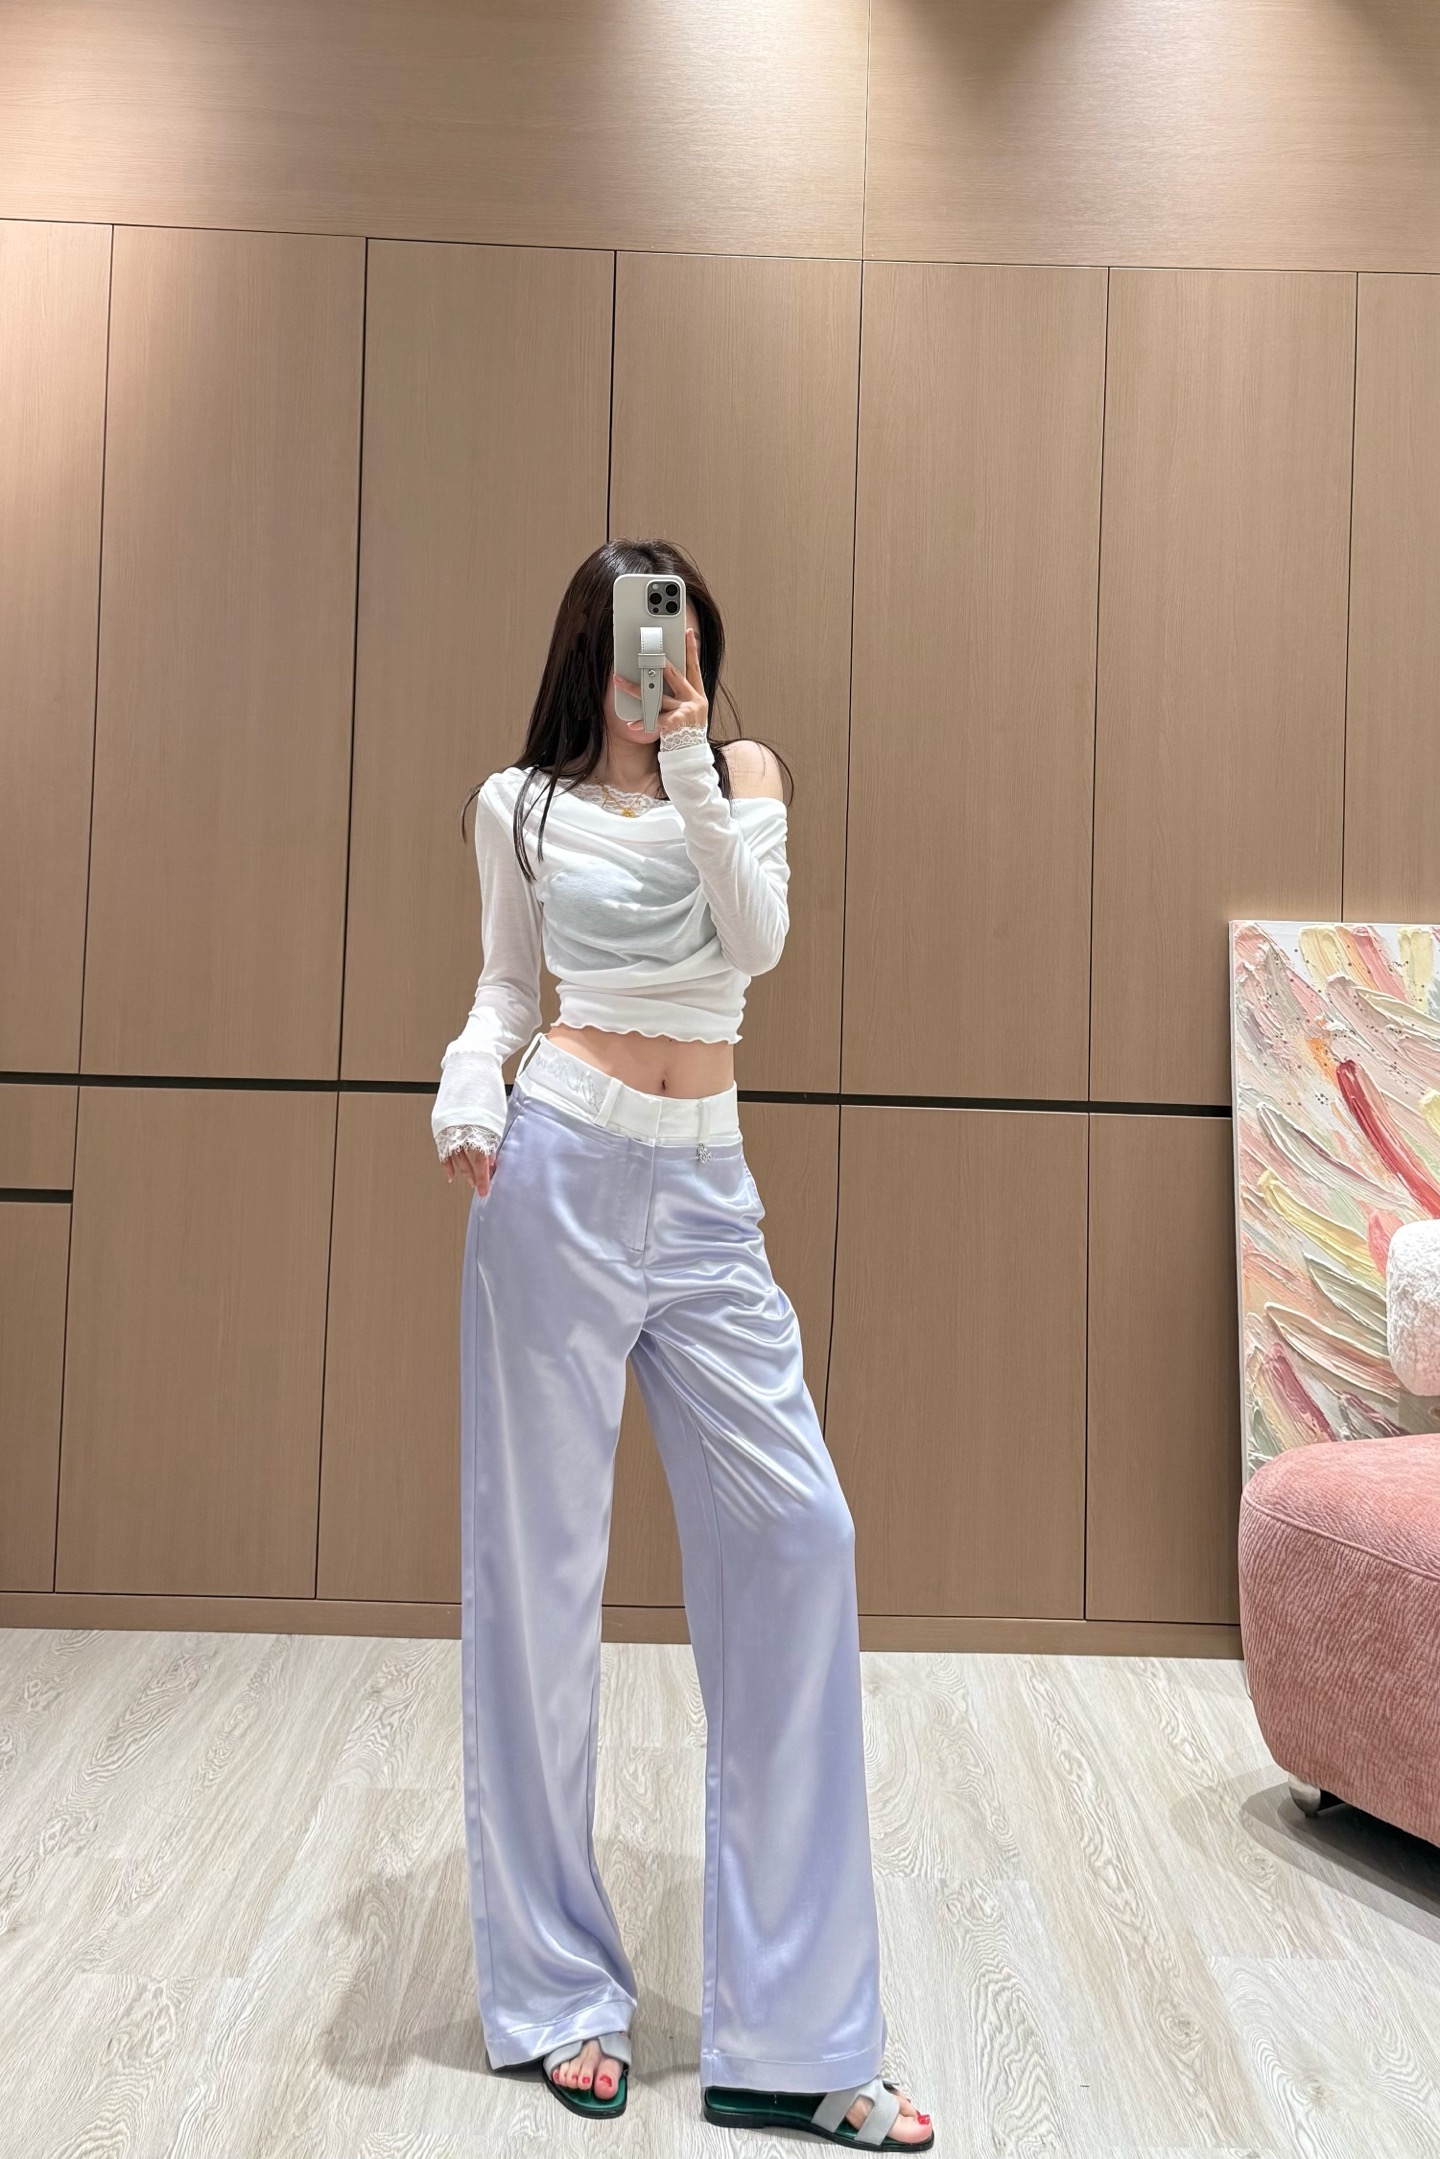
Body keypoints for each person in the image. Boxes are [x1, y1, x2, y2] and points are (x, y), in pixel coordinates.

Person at [431, 537, 934, 2150]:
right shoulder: (518, 805)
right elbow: (507, 990)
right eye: (639, 640)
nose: (661, 666)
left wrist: (701, 758)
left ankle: (795, 2035)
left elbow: (757, 939)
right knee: (536, 1579)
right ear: (589, 652)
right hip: (558, 1174)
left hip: (709, 1191)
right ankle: (555, 1992)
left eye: (686, 637)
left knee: (800, 1537)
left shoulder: (747, 774)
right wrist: (468, 1085)